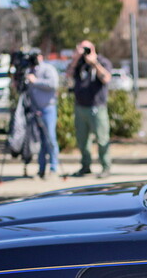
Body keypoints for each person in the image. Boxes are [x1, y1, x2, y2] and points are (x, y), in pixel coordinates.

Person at [66, 40, 112, 179]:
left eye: (86, 49)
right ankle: (85, 166)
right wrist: (75, 58)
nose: (84, 52)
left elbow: (106, 78)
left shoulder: (102, 61)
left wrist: (94, 63)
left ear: (93, 48)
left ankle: (105, 167)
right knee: (82, 140)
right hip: (80, 106)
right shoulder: (79, 63)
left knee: (102, 139)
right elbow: (68, 75)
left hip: (97, 106)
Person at [24, 53, 61, 179]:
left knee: (50, 138)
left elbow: (53, 84)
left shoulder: (48, 69)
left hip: (48, 109)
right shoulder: (29, 71)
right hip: (36, 110)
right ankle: (41, 169)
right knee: (41, 142)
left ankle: (54, 168)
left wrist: (36, 81)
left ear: (40, 56)